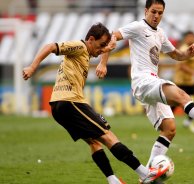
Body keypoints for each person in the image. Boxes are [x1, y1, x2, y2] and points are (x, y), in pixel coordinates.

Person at [98, 0, 194, 169]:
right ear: (145, 11)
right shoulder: (137, 27)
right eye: (153, 12)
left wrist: (187, 54)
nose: (156, 16)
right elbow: (110, 37)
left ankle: (148, 174)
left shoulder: (161, 33)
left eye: (160, 13)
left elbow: (175, 54)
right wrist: (103, 63)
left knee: (170, 129)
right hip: (143, 81)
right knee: (182, 96)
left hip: (150, 82)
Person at [22, 23, 168, 184]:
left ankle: (113, 180)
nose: (101, 50)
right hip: (70, 101)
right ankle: (145, 173)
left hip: (57, 106)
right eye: (100, 45)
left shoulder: (87, 52)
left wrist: (104, 57)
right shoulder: (79, 46)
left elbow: (106, 47)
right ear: (90, 39)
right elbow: (50, 46)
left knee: (94, 141)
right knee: (108, 136)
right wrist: (32, 67)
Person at [173, 30, 194, 133]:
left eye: (193, 37)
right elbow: (181, 66)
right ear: (186, 38)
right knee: (174, 104)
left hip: (190, 81)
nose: (192, 39)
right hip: (181, 81)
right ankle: (165, 121)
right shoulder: (183, 49)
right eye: (190, 37)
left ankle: (189, 121)